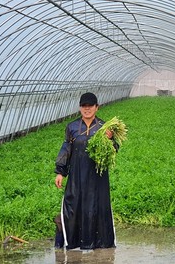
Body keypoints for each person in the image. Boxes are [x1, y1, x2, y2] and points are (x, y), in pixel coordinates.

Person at [54, 92, 117, 250]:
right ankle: (73, 241)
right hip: (77, 175)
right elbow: (66, 149)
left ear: (97, 107)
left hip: (98, 176)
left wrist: (110, 140)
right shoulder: (72, 127)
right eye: (84, 106)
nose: (87, 109)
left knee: (97, 206)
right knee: (73, 204)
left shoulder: (104, 127)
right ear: (80, 108)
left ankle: (100, 242)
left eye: (90, 106)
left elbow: (114, 150)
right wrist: (60, 172)